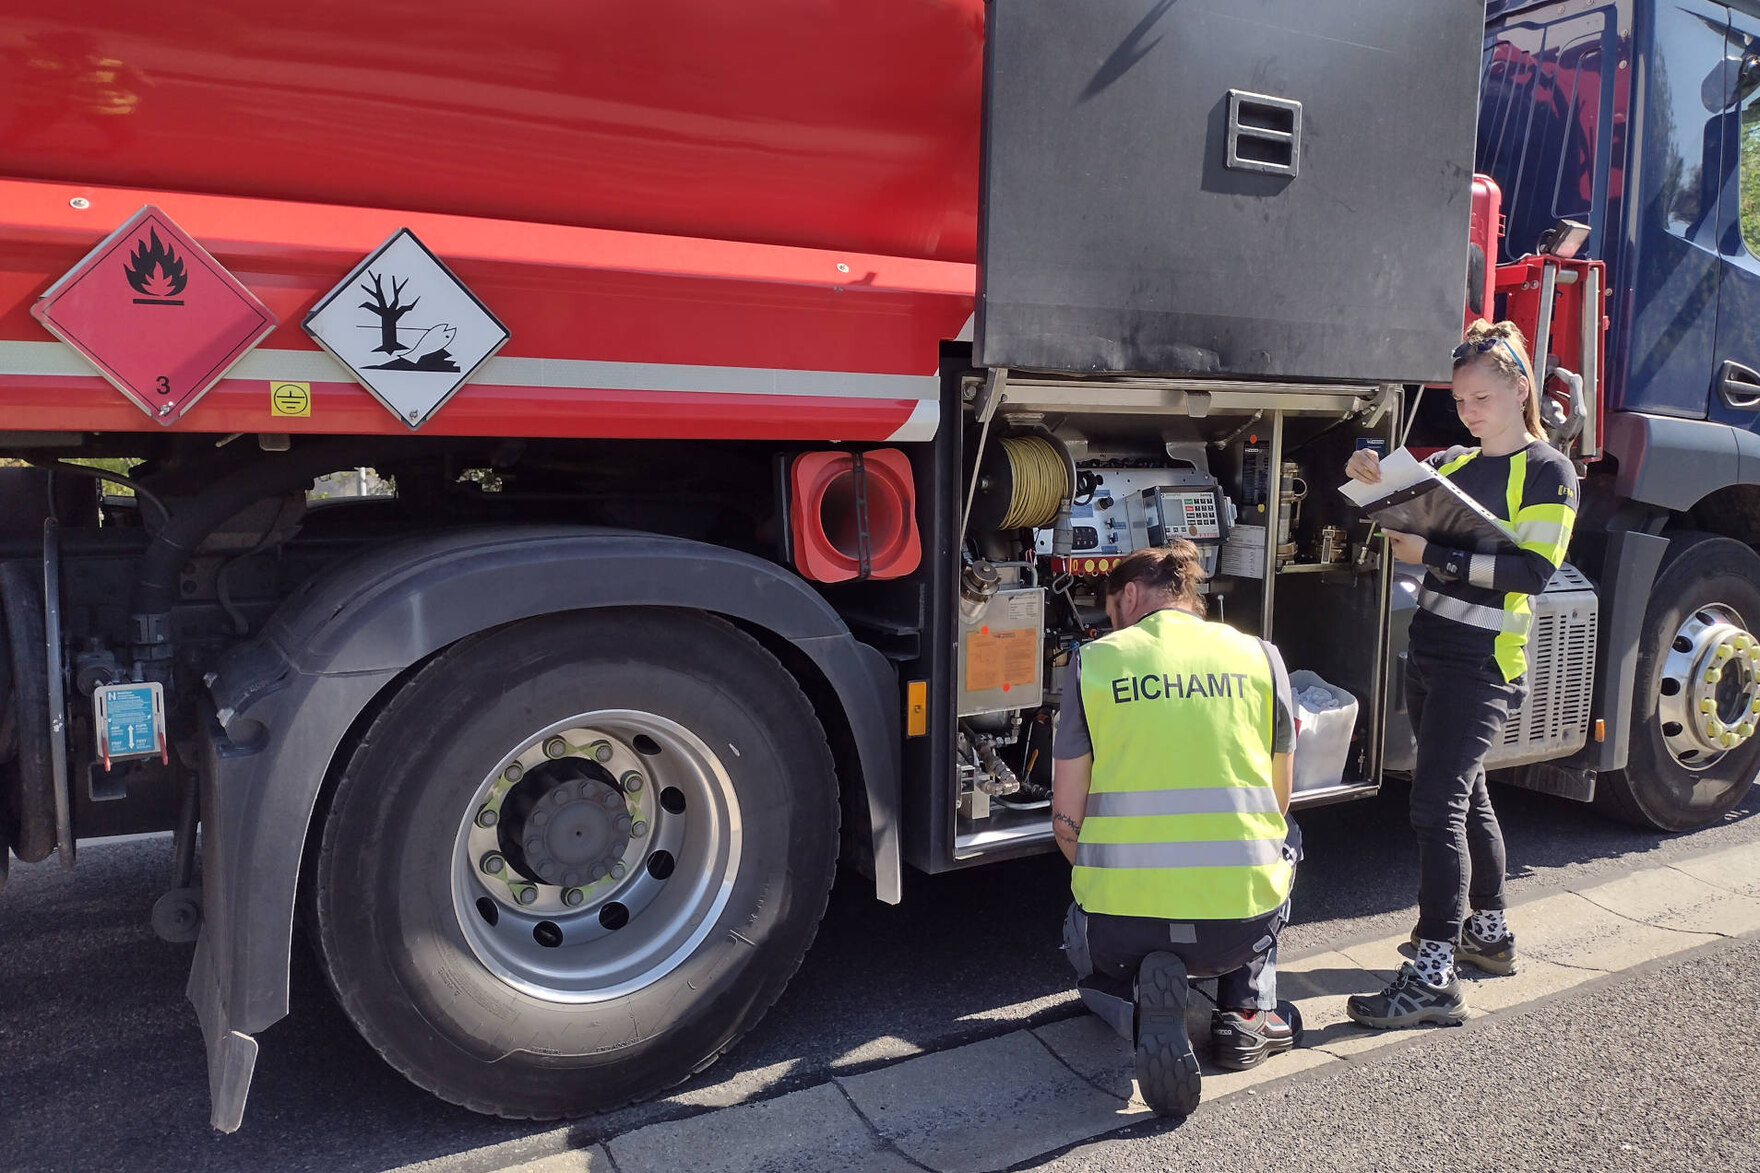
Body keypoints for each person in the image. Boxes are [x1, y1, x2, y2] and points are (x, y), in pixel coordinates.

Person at [1342, 318, 1578, 1029]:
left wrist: (1434, 557)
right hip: (1435, 650)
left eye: (1481, 397)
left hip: (1484, 665)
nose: (1470, 411)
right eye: (1461, 400)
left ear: (1519, 387)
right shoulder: (1453, 462)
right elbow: (1397, 491)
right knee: (1466, 794)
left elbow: (1533, 573)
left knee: (1435, 805)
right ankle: (1490, 933)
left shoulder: (1548, 472)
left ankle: (1435, 970)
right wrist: (1366, 465)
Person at [1052, 542, 1303, 1117]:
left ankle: (1131, 1000)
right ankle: (1247, 1012)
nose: (1109, 622)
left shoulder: (1096, 663)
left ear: (1131, 595)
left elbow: (1067, 820)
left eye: (1109, 607)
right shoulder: (1262, 657)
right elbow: (1277, 801)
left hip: (1118, 932)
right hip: (1237, 928)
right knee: (1286, 839)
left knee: (1089, 929)